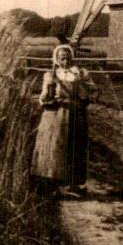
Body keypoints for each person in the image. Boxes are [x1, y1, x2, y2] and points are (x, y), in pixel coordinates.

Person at [31, 44, 98, 198]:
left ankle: (74, 186)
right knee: (53, 147)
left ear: (72, 58)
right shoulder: (50, 75)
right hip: (54, 115)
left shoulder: (80, 73)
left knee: (75, 148)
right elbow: (43, 96)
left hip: (75, 115)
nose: (66, 61)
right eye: (62, 58)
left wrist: (89, 97)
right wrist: (46, 98)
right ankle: (50, 186)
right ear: (57, 59)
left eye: (68, 58)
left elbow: (93, 90)